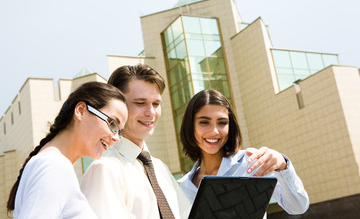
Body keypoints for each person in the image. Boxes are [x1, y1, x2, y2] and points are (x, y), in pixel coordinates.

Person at [80, 64, 191, 219]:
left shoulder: (161, 169)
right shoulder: (105, 170)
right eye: (140, 103)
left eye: (156, 104)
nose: (151, 112)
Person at [178, 89, 309, 217]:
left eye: (222, 123)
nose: (215, 131)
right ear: (191, 126)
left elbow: (298, 207)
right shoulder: (182, 187)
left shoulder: (252, 162)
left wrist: (282, 166)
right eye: (204, 122)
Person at [7, 81, 128, 219]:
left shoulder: (53, 165)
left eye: (119, 132)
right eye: (112, 123)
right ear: (81, 110)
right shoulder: (54, 166)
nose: (116, 138)